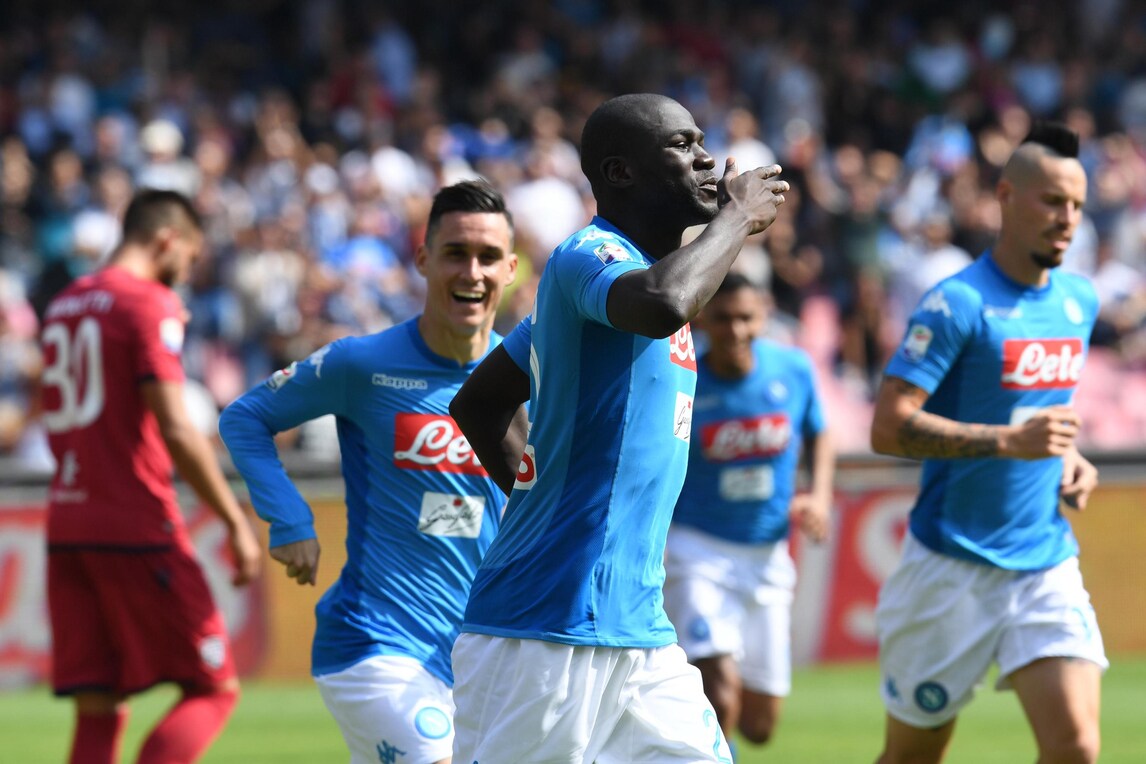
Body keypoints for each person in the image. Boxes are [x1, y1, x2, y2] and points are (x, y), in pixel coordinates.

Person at [448, 92, 789, 763]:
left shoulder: (610, 296)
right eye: (682, 145)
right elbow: (664, 303)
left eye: (703, 141)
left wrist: (540, 498)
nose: (707, 159)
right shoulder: (588, 257)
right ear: (620, 172)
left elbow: (479, 404)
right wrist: (737, 217)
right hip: (542, 631)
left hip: (639, 634)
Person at [219, 180, 518, 764]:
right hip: (374, 640)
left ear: (510, 268)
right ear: (423, 259)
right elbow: (245, 417)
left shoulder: (527, 377)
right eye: (456, 253)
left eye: (488, 257)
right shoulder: (364, 363)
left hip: (479, 653)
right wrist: (289, 518)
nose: (472, 272)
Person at [870, 122, 1106, 764]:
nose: (1068, 219)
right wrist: (1009, 442)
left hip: (1044, 561)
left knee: (1077, 747)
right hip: (950, 566)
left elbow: (1038, 417)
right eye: (1052, 201)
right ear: (1005, 196)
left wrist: (1068, 456)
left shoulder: (1079, 301)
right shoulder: (956, 304)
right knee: (912, 758)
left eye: (1077, 205)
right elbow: (887, 427)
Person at [40, 189, 262, 764]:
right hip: (135, 522)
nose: (186, 274)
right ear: (168, 241)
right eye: (189, 258)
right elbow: (177, 428)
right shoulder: (147, 303)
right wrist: (234, 519)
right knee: (213, 690)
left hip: (67, 526)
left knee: (97, 709)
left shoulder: (64, 304)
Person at [662, 272, 835, 755]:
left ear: (763, 317)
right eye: (723, 318)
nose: (735, 330)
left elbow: (820, 433)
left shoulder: (792, 369)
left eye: (745, 318)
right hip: (696, 550)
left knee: (760, 724)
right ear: (702, 319)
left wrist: (819, 496)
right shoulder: (684, 376)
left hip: (767, 554)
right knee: (719, 694)